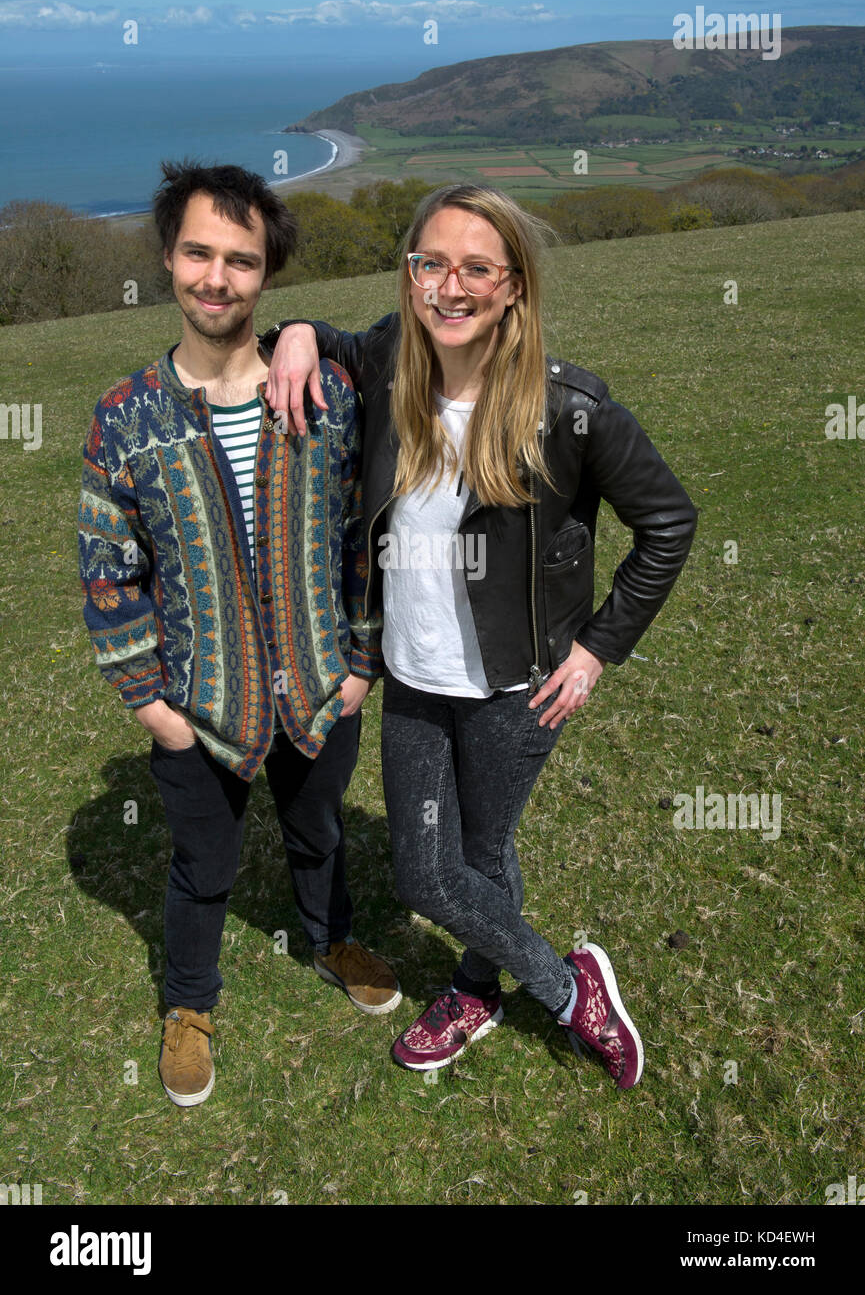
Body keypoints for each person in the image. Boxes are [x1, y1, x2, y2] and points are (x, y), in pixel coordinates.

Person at [260, 183, 697, 1088]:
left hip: (516, 687)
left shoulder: (570, 408)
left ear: (512, 288)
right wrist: (295, 328)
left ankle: (503, 990)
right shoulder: (389, 360)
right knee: (449, 866)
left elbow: (668, 523)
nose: (447, 287)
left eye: (475, 268)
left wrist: (598, 648)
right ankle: (551, 990)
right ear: (409, 273)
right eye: (429, 263)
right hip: (413, 679)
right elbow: (322, 341)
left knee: (458, 864)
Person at [78, 161, 400, 1108]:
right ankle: (189, 1004)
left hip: (318, 687)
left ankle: (329, 936)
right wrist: (152, 705)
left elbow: (361, 539)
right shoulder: (124, 416)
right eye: (197, 253)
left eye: (241, 260)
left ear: (268, 275)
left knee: (319, 829)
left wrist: (360, 665)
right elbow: (107, 570)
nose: (216, 278)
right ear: (169, 260)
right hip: (196, 702)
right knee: (202, 865)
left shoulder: (326, 397)